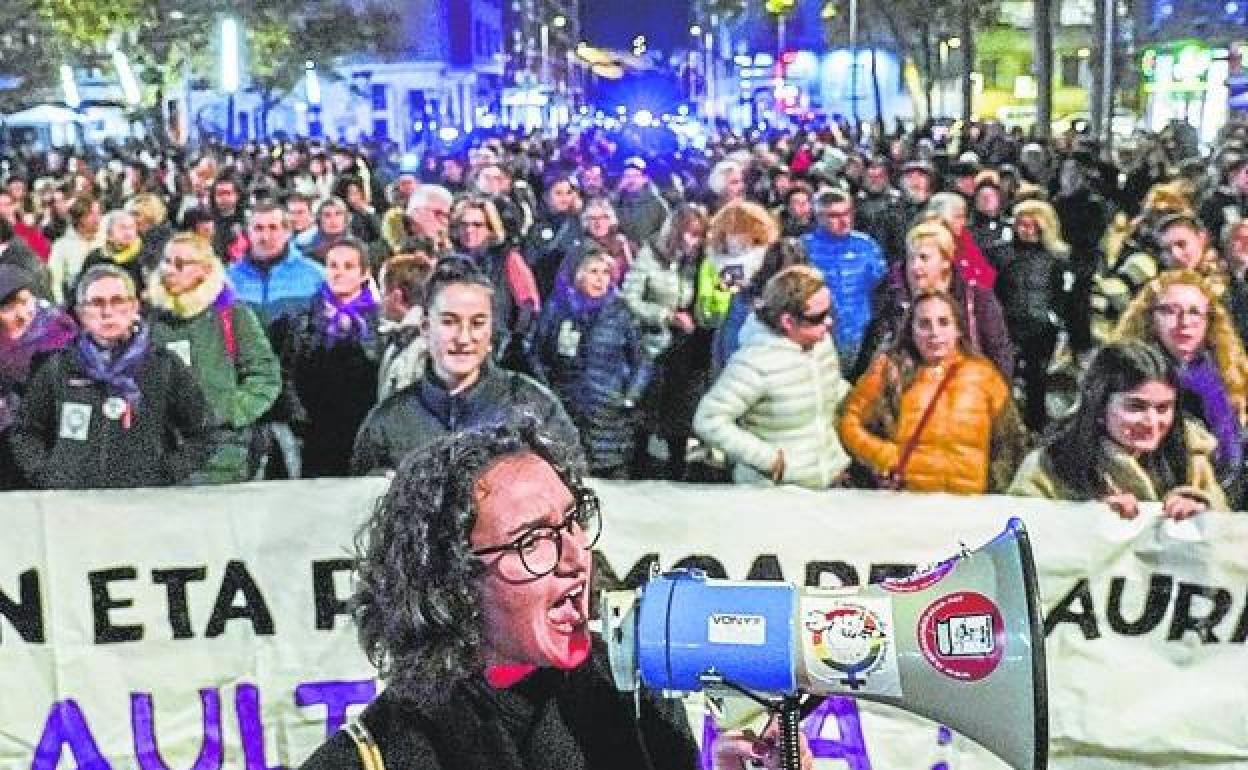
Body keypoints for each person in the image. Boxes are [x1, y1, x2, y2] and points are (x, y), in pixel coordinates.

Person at [303, 416, 810, 770]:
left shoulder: (635, 701)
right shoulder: (378, 756)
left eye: (573, 521)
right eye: (533, 540)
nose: (576, 558)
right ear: (450, 578)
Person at [351, 258, 578, 475]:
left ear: (490, 331)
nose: (463, 337)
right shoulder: (388, 423)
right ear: (426, 328)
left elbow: (572, 489)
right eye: (449, 322)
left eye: (477, 323)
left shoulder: (535, 407)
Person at [8, 264, 210, 489]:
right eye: (96, 303)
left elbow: (203, 433)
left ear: (134, 307)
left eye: (117, 301)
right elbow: (25, 432)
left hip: (143, 504)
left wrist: (165, 473)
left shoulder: (163, 365)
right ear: (81, 313)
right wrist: (48, 474)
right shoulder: (59, 367)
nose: (107, 312)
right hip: (74, 506)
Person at [1009, 341, 1229, 517]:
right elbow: (1020, 541)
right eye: (1136, 407)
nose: (1152, 422)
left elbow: (1228, 548)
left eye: (1163, 408)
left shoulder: (1191, 462)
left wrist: (1202, 515)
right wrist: (1083, 520)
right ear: (1099, 406)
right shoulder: (1049, 467)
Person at [838, 289, 1024, 494]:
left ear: (958, 329)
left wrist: (996, 487)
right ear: (911, 330)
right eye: (924, 324)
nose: (935, 333)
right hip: (907, 503)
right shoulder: (889, 370)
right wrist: (882, 455)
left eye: (943, 322)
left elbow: (1012, 440)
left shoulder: (984, 375)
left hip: (969, 506)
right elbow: (848, 421)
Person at [695, 265, 851, 489]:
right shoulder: (754, 363)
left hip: (827, 483)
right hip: (774, 496)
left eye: (830, 312)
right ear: (788, 322)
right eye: (819, 317)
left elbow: (828, 387)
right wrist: (768, 460)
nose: (829, 322)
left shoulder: (822, 345)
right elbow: (708, 420)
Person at [148, 234, 281, 484]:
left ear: (204, 269)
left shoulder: (232, 314)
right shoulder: (152, 318)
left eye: (181, 264)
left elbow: (265, 374)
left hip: (223, 453)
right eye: (166, 261)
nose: (170, 270)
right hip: (165, 450)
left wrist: (231, 410)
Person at [1112, 270, 1248, 495]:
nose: (1184, 322)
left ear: (1209, 320)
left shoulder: (1230, 374)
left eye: (1195, 313)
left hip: (1226, 501)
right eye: (1169, 311)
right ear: (1150, 317)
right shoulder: (1122, 373)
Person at [274, 238, 382, 478]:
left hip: (363, 430)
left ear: (364, 274)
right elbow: (286, 374)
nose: (339, 273)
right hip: (315, 434)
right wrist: (299, 419)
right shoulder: (303, 320)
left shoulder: (379, 322)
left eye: (348, 266)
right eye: (333, 266)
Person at [532, 250, 644, 478]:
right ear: (577, 275)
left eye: (605, 273)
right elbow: (536, 354)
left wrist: (630, 397)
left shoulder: (621, 313)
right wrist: (550, 393)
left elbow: (642, 362)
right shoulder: (557, 310)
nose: (600, 279)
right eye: (593, 272)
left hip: (610, 418)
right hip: (568, 413)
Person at [856, 222, 1014, 380]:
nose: (915, 266)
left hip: (966, 390)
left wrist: (996, 396)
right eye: (911, 258)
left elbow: (999, 352)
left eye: (924, 258)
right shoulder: (891, 298)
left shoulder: (976, 297)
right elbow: (870, 352)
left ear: (945, 261)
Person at [620, 203, 708, 479]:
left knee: (680, 417)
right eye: (689, 234)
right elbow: (630, 298)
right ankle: (639, 468)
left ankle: (676, 469)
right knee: (646, 414)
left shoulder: (700, 262)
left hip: (687, 350)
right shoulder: (652, 256)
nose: (693, 241)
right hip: (653, 345)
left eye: (698, 235)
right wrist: (665, 315)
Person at [995, 200, 1069, 431]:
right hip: (1008, 325)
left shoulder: (1056, 259)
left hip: (1041, 328)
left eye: (1032, 225)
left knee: (1037, 379)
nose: (1026, 230)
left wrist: (1056, 320)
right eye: (1022, 225)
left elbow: (1061, 295)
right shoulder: (1001, 255)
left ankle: (1036, 426)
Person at [0, 266, 76, 488]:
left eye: (25, 301)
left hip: (48, 455)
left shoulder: (61, 339)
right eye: (7, 307)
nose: (22, 315)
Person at [800, 189, 887, 375]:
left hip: (862, 333)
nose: (844, 220)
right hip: (819, 333)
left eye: (847, 213)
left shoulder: (867, 246)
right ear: (819, 217)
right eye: (834, 215)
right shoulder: (804, 248)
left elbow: (882, 287)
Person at [377, 246, 435, 401]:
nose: (380, 301)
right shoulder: (398, 338)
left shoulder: (419, 347)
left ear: (396, 297)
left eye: (383, 292)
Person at [47, 194, 105, 305]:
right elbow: (54, 281)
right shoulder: (61, 246)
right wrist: (61, 305)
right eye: (91, 214)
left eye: (99, 213)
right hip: (76, 302)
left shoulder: (105, 240)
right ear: (79, 217)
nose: (97, 218)